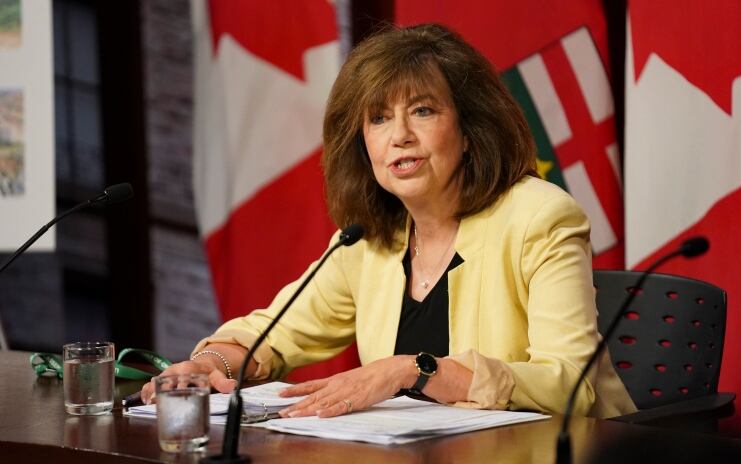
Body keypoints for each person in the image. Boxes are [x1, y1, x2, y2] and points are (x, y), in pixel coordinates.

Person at [141, 23, 636, 419]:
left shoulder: (539, 217)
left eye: (422, 111)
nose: (398, 135)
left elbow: (572, 383)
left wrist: (414, 371)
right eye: (378, 118)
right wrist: (211, 364)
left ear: (468, 131)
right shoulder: (369, 242)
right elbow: (274, 332)